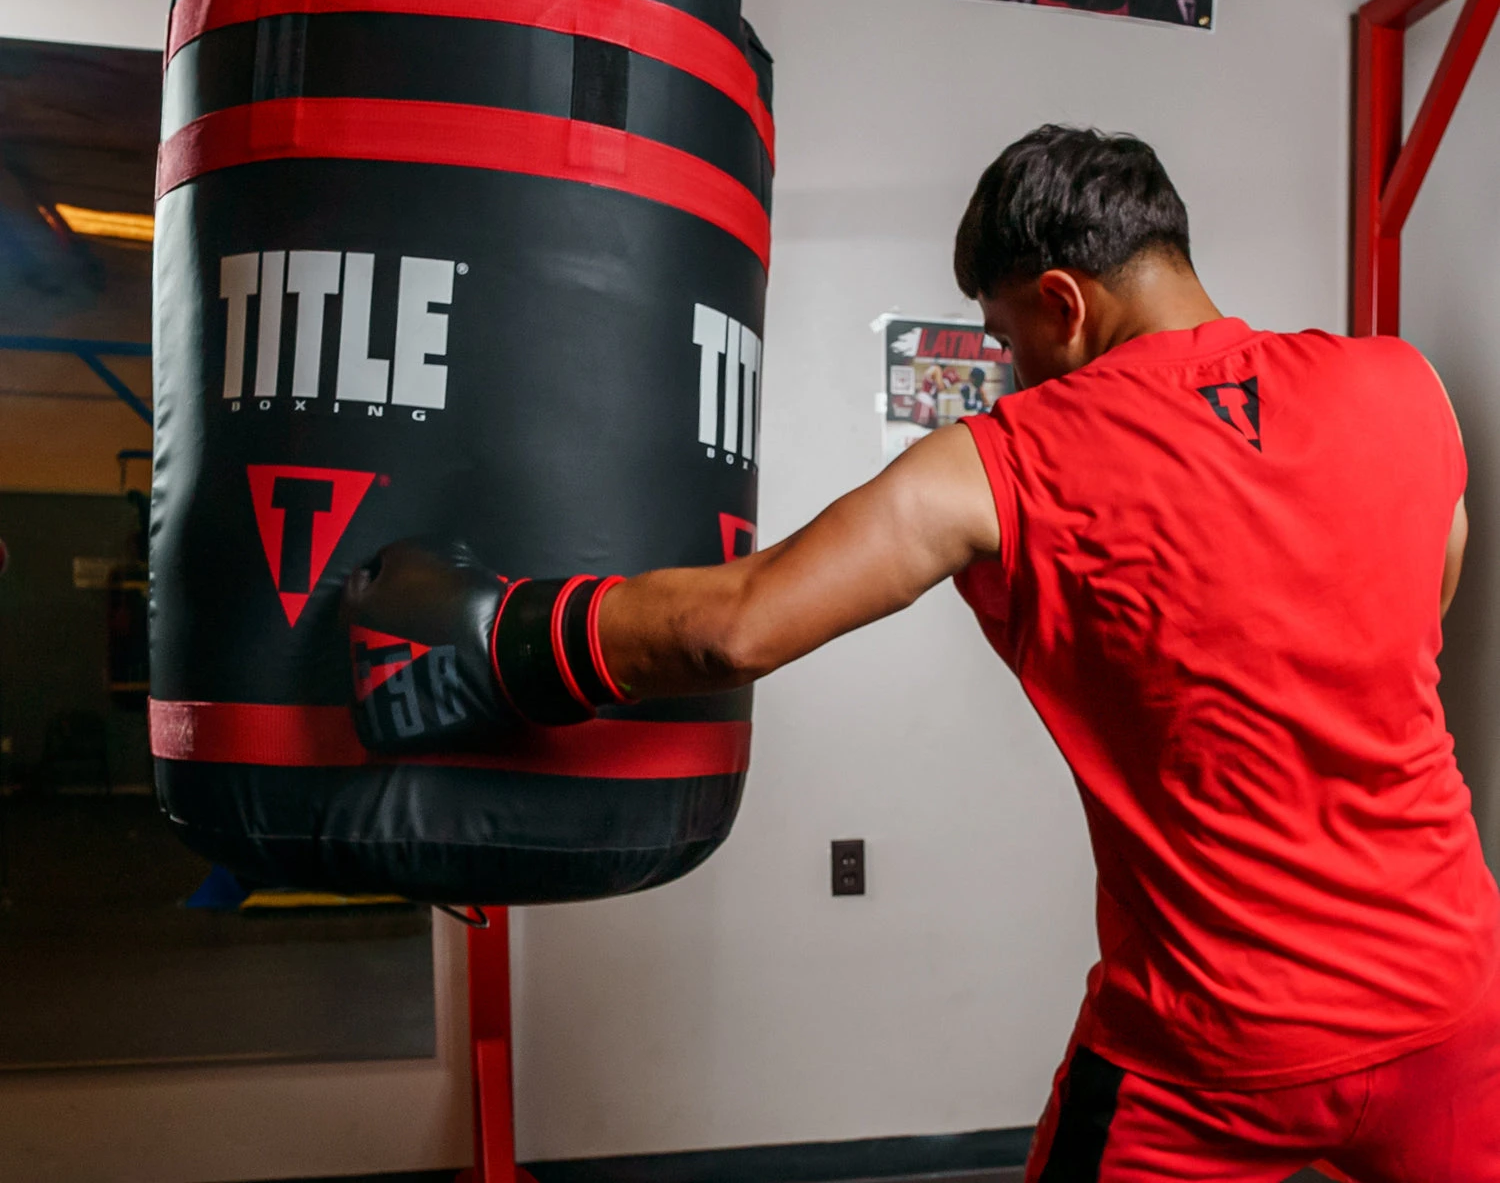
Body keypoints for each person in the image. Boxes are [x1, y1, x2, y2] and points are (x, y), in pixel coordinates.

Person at [343, 126, 1500, 1182]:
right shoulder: (1403, 387)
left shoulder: (1013, 458)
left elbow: (735, 623)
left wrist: (496, 631)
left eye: (1005, 337)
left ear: (1064, 303)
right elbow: (1427, 602)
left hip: (1209, 1051)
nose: (1008, 368)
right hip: (1457, 999)